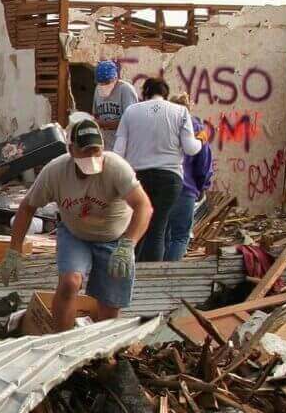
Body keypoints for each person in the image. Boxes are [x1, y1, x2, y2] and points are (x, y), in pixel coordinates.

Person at [2, 118, 152, 332]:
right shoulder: (55, 172)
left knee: (109, 305)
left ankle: (100, 352)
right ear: (71, 150)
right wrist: (14, 250)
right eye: (85, 152)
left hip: (114, 239)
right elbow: (27, 207)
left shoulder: (116, 168)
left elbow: (143, 206)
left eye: (96, 152)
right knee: (69, 283)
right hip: (76, 234)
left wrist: (128, 244)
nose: (92, 158)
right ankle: (61, 342)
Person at [110, 78, 202, 262]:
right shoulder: (180, 111)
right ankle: (150, 276)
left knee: (136, 226)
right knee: (157, 228)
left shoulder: (131, 111)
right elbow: (191, 148)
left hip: (137, 178)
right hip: (169, 179)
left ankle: (130, 272)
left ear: (144, 93)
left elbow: (118, 150)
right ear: (166, 94)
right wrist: (201, 141)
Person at [162, 108, 214, 262]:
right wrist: (202, 187)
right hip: (186, 189)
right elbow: (204, 161)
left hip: (161, 186)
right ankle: (170, 277)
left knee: (162, 234)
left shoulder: (163, 124)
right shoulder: (197, 128)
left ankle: (158, 273)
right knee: (180, 237)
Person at [91, 60, 138, 132]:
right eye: (101, 83)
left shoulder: (125, 89)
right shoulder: (98, 88)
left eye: (107, 82)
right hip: (105, 140)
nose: (104, 85)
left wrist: (103, 124)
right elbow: (96, 114)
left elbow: (131, 121)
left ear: (115, 79)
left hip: (123, 140)